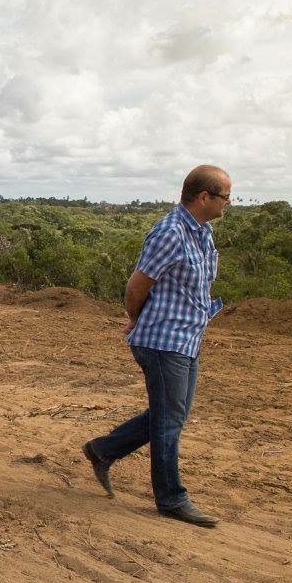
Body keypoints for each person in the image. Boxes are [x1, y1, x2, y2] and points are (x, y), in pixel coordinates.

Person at [80, 166, 231, 527]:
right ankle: (171, 498)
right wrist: (135, 318)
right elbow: (137, 285)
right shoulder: (171, 232)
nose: (229, 203)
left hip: (187, 337)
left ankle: (103, 450)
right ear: (204, 197)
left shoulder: (202, 232)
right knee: (168, 421)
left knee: (171, 415)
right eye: (226, 196)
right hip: (164, 340)